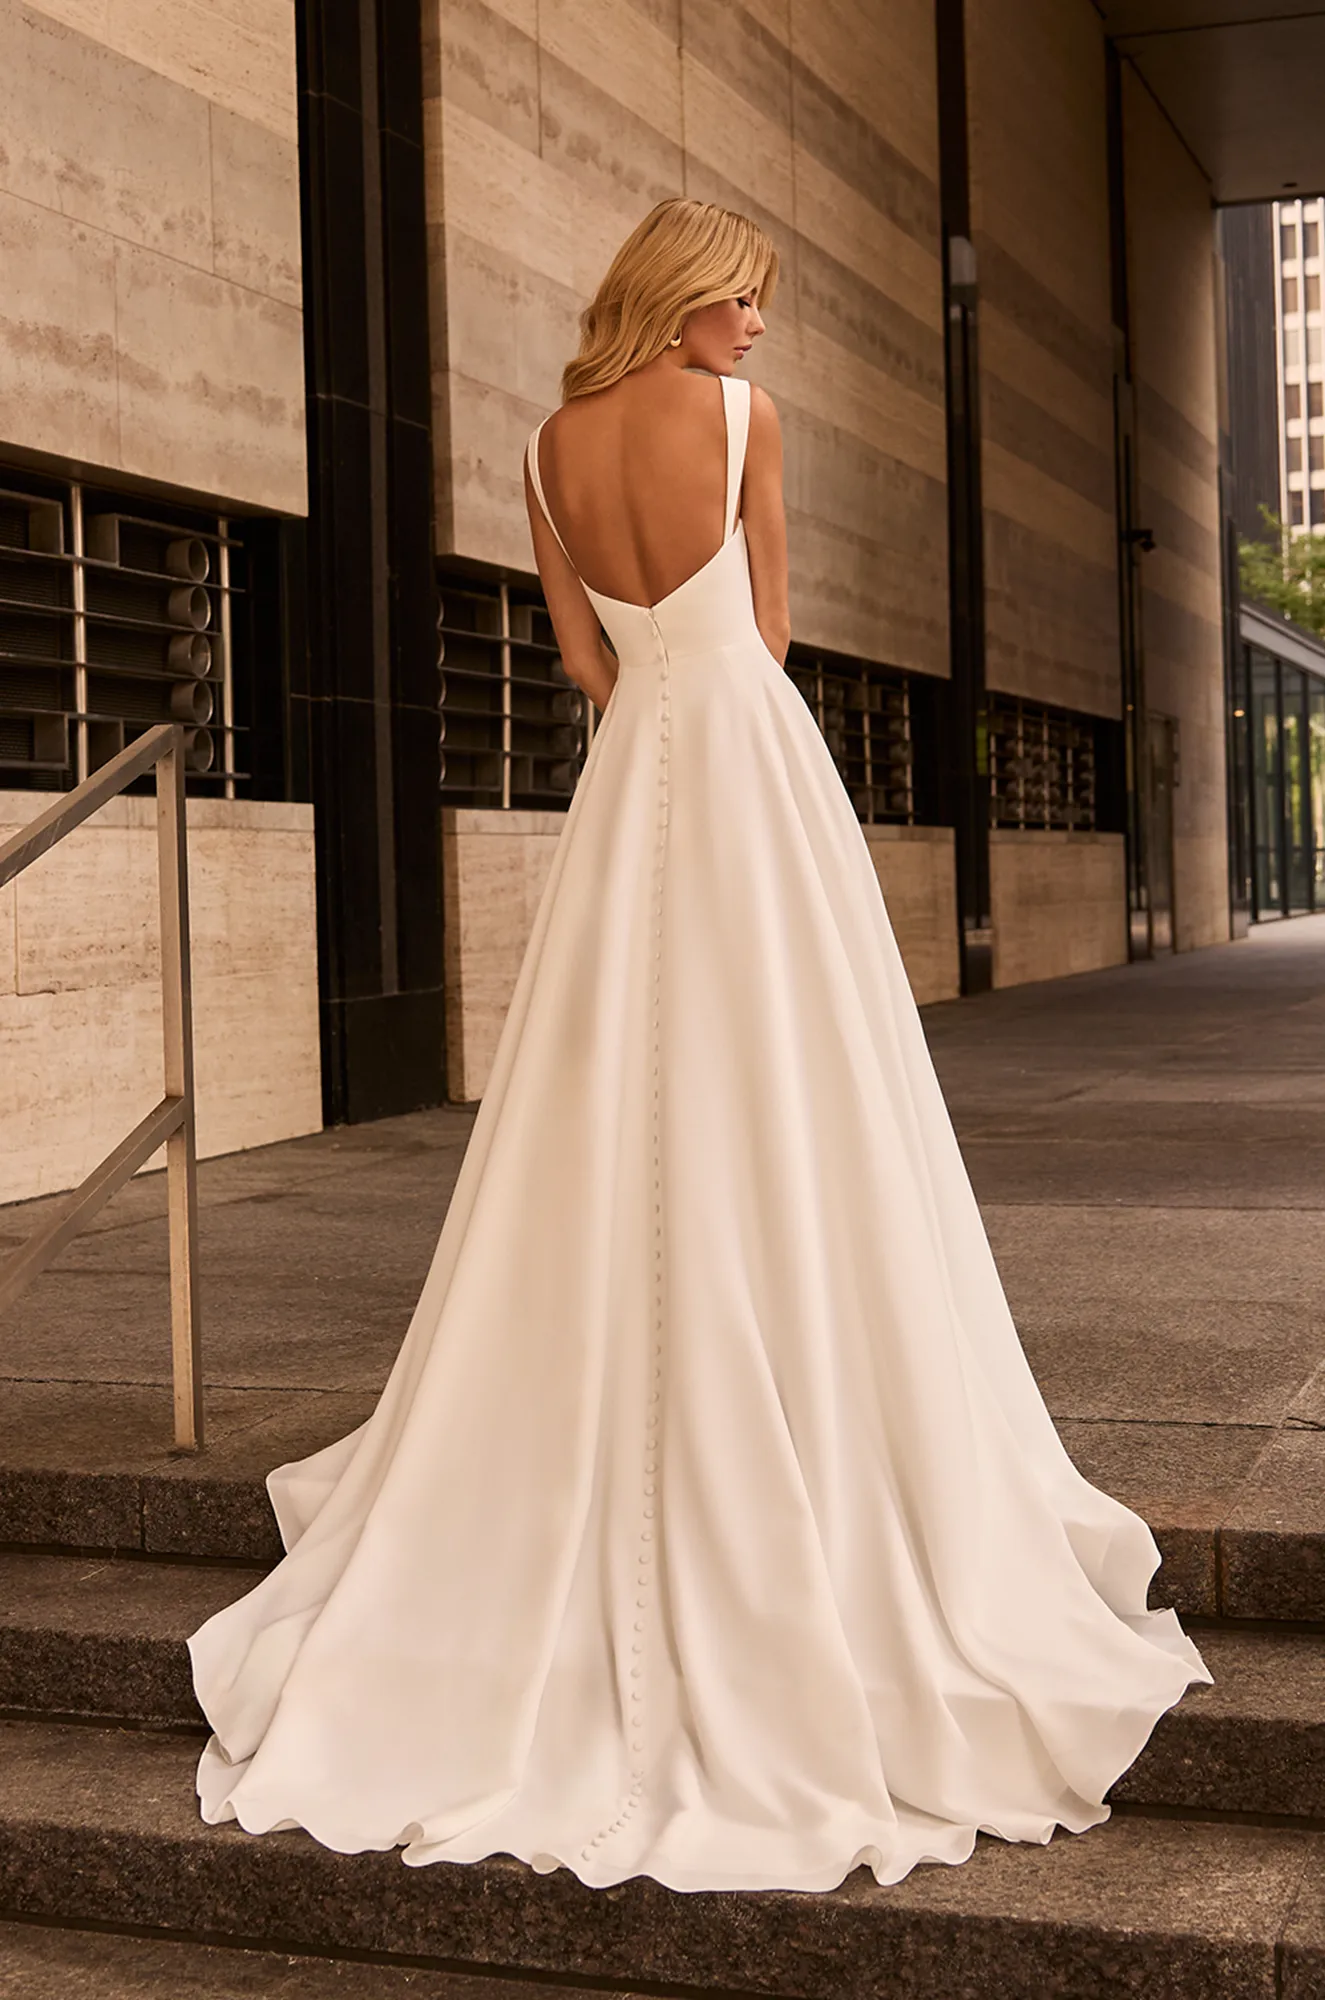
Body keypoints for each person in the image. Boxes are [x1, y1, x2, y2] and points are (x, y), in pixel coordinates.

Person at [188, 197, 1210, 1895]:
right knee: (800, 1090)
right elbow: (776, 634)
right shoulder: (743, 423)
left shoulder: (540, 448)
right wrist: (711, 672)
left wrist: (660, 692)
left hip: (635, 784)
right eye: (745, 300)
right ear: (684, 301)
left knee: (602, 1104)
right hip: (749, 769)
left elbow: (591, 666)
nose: (758, 330)